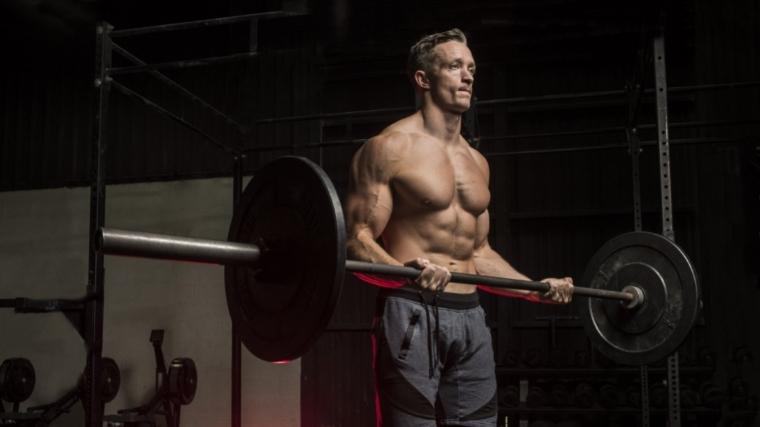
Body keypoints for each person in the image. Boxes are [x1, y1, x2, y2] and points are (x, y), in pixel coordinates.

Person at [344, 28, 574, 427]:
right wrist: (405, 275)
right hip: (412, 312)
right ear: (423, 79)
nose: (468, 76)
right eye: (454, 67)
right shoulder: (389, 148)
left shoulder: (477, 162)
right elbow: (356, 240)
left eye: (471, 68)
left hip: (471, 317)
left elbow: (479, 254)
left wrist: (535, 289)